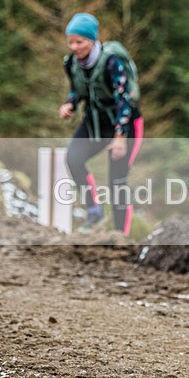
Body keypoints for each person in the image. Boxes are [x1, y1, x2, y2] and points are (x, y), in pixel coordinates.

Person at [60, 13, 144, 236]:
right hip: (95, 122)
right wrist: (70, 104)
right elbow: (78, 89)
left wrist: (120, 137)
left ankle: (120, 235)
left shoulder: (111, 61)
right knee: (73, 159)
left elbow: (124, 99)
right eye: (71, 42)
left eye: (80, 42)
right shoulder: (72, 64)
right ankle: (94, 210)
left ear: (92, 40)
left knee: (117, 181)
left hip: (125, 124)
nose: (75, 47)